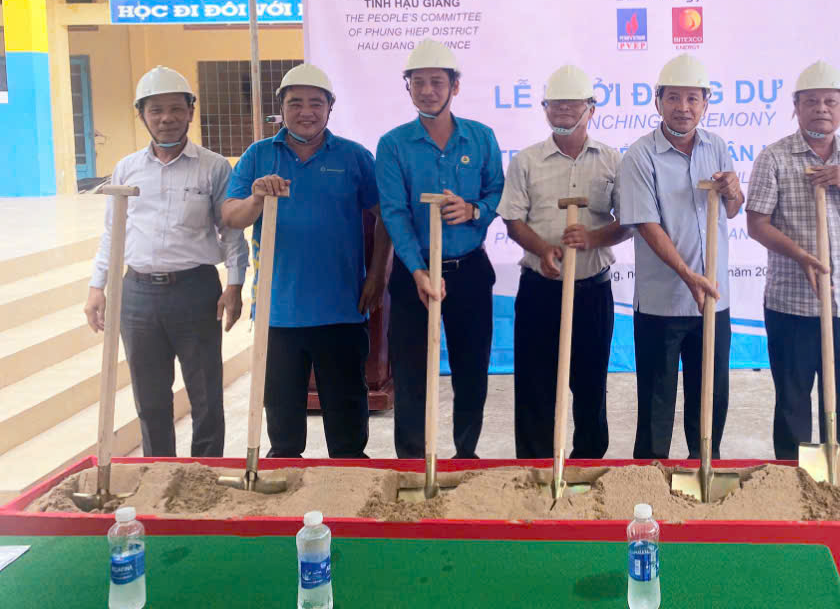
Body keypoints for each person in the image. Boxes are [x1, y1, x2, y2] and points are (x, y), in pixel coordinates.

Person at [222, 63, 391, 459]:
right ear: (281, 107)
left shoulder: (354, 157)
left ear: (331, 107)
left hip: (342, 310)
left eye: (316, 103)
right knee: (283, 432)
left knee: (348, 426)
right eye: (295, 103)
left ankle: (350, 493)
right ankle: (287, 500)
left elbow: (388, 215)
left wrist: (379, 274)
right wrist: (257, 199)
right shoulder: (259, 155)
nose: (306, 111)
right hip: (277, 313)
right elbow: (231, 216)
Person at [83, 66, 248, 457]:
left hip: (195, 291)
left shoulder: (213, 167)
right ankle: (158, 472)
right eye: (156, 110)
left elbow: (231, 233)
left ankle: (204, 474)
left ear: (191, 111)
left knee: (205, 393)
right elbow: (114, 232)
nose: (167, 118)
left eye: (176, 109)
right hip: (137, 295)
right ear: (141, 115)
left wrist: (235, 285)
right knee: (150, 396)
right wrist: (97, 286)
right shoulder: (126, 168)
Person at [746, 60, 840, 460]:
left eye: (830, 101)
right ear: (795, 107)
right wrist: (801, 256)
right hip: (791, 303)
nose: (821, 108)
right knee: (792, 401)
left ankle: (839, 472)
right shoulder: (774, 157)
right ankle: (790, 478)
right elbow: (757, 225)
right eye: (811, 101)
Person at [375, 39, 503, 459]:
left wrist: (473, 210)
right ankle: (413, 461)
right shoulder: (393, 145)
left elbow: (497, 192)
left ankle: (466, 455)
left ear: (454, 86)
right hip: (414, 275)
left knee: (471, 370)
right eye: (418, 82)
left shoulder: (480, 138)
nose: (427, 90)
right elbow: (394, 213)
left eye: (436, 81)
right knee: (412, 373)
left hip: (469, 271)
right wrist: (417, 270)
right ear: (407, 87)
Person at [497, 64, 630, 459]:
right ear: (544, 109)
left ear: (592, 108)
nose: (564, 111)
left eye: (573, 104)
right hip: (541, 290)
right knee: (536, 386)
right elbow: (513, 219)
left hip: (592, 291)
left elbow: (629, 223)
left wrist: (593, 237)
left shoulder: (612, 161)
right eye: (555, 104)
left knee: (590, 385)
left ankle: (587, 465)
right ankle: (536, 469)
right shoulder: (527, 161)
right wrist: (543, 248)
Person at [618, 53, 742, 460]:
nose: (683, 108)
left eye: (693, 99)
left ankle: (703, 468)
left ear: (705, 103)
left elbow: (733, 209)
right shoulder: (640, 156)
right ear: (658, 102)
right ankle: (650, 483)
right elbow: (647, 226)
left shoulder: (717, 147)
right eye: (674, 98)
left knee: (710, 397)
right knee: (656, 403)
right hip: (662, 305)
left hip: (712, 302)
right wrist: (689, 274)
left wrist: (733, 191)